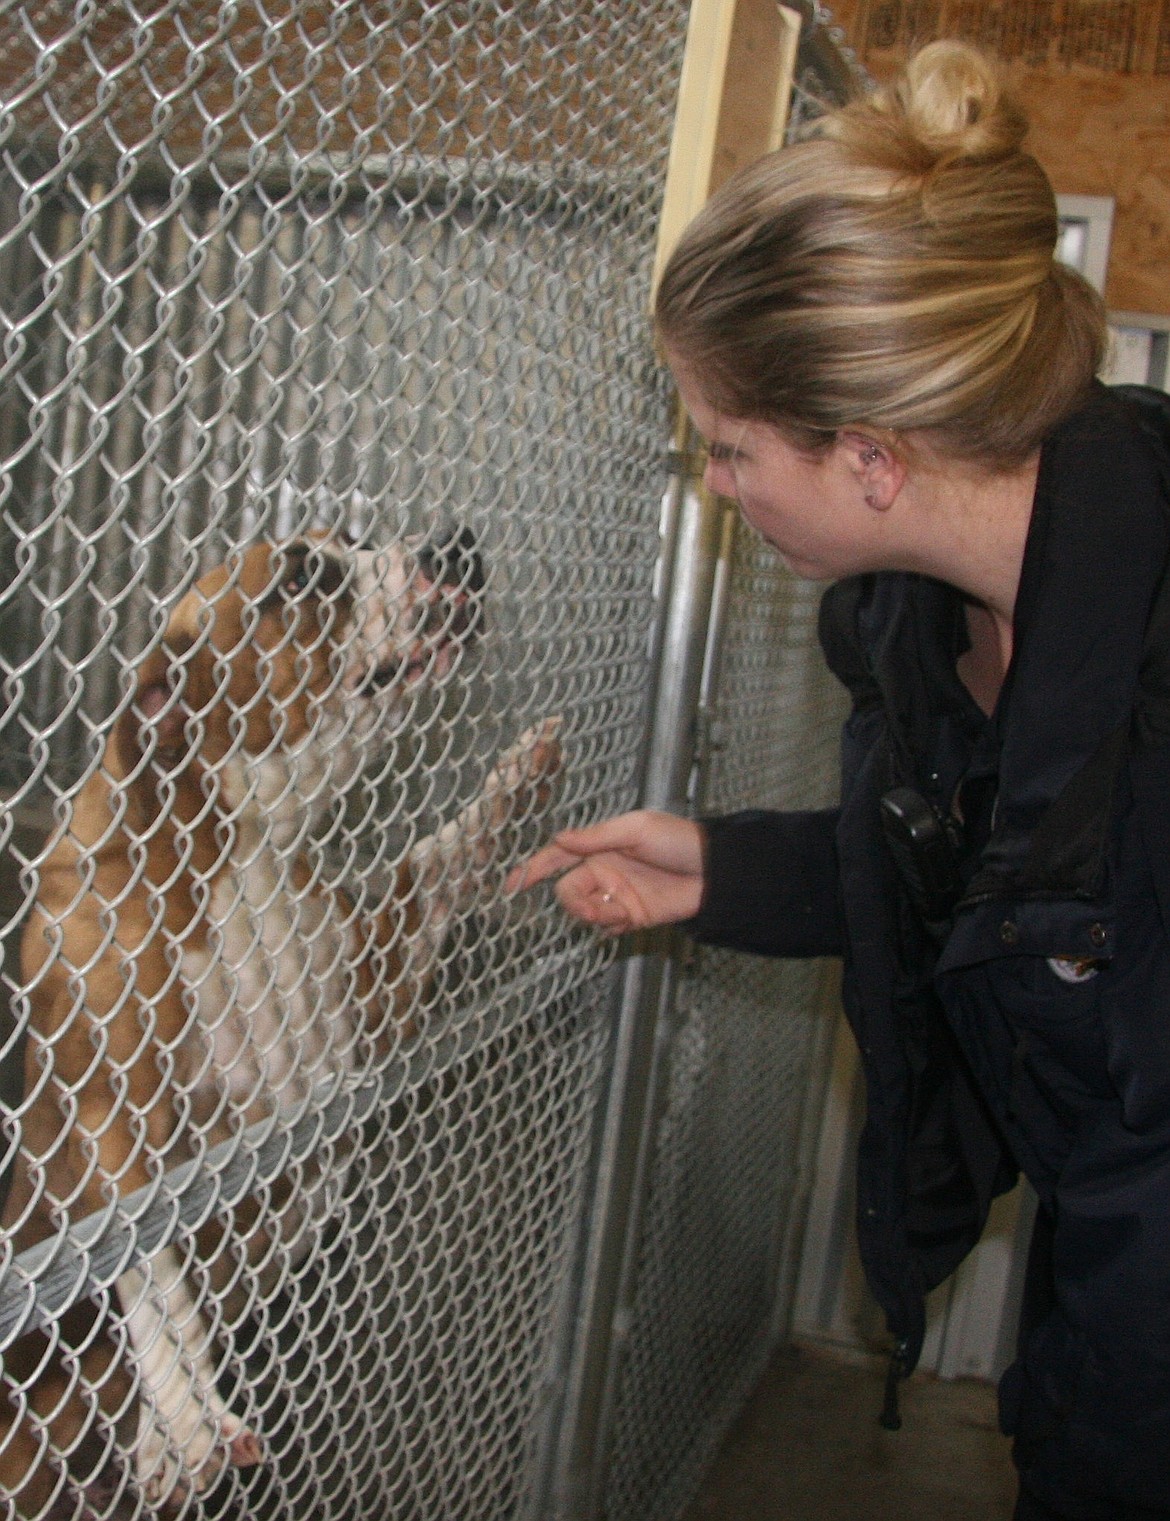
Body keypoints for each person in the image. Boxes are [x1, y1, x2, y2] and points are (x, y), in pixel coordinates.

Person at [508, 40, 1170, 1521]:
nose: (717, 487)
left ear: (870, 457)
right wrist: (730, 868)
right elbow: (994, 872)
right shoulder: (938, 620)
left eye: (732, 450)